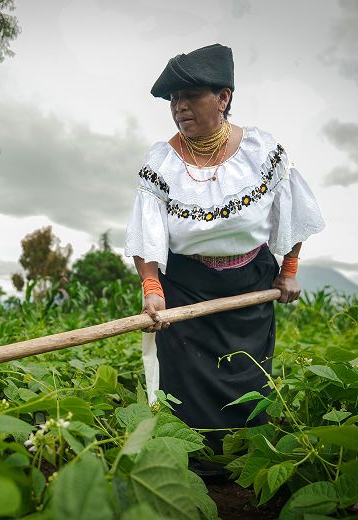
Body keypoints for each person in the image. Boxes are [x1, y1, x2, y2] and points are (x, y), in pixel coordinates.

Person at [124, 44, 325, 462]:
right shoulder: (161, 163)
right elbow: (147, 232)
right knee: (186, 380)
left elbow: (293, 212)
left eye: (190, 96)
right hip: (186, 287)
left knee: (247, 380)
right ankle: (193, 465)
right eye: (174, 99)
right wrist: (151, 286)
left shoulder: (261, 153)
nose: (179, 107)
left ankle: (246, 458)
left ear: (223, 97)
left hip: (249, 282)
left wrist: (288, 269)